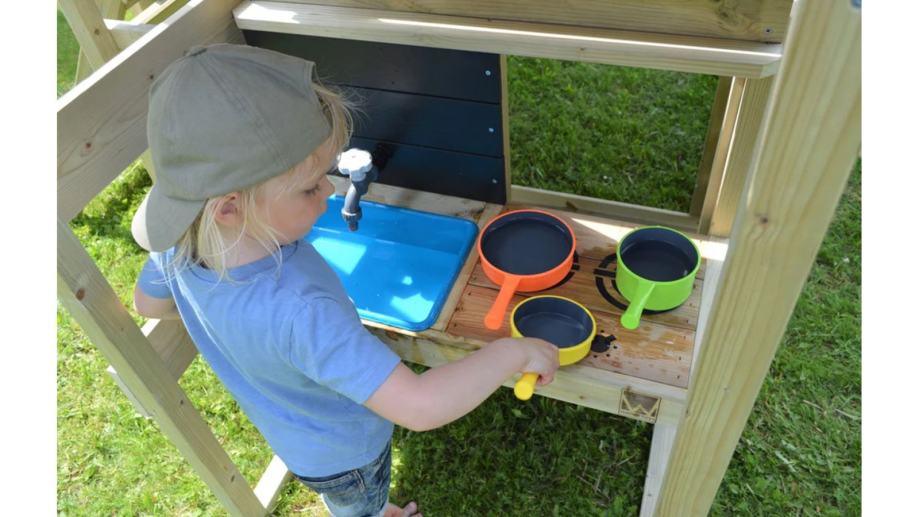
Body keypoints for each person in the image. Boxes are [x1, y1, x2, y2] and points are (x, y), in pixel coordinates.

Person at [131, 44, 560, 517]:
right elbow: (420, 406)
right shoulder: (301, 313)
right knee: (360, 505)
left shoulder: (179, 243)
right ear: (230, 208)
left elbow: (149, 304)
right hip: (349, 454)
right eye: (310, 187)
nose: (331, 190)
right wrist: (512, 353)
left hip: (292, 433)